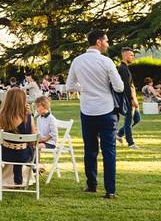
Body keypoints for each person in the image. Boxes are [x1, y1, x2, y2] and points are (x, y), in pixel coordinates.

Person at [65, 29, 124, 199]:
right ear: (98, 42)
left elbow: (69, 86)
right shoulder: (106, 62)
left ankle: (91, 185)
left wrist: (83, 88)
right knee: (109, 151)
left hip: (87, 110)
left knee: (90, 149)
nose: (107, 44)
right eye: (106, 40)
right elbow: (119, 87)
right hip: (106, 110)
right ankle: (110, 190)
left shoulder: (77, 61)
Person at [0, 88, 37, 186]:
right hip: (23, 156)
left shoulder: (2, 116)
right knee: (28, 148)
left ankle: (18, 177)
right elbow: (33, 140)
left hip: (5, 154)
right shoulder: (28, 117)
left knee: (1, 147)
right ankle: (33, 170)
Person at [116, 47, 141, 149]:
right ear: (125, 55)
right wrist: (132, 100)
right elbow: (126, 87)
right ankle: (131, 143)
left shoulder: (126, 68)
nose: (133, 57)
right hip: (128, 100)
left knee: (137, 119)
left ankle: (118, 134)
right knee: (128, 121)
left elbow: (131, 85)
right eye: (131, 55)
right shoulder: (122, 69)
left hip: (133, 98)